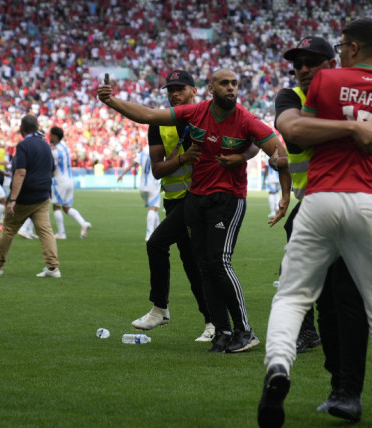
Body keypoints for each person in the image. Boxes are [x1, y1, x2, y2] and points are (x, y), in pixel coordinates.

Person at [257, 18, 372, 428]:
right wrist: (365, 128)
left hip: (320, 198)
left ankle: (278, 364)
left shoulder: (325, 83)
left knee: (292, 296)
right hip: (370, 200)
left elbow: (296, 130)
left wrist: (358, 127)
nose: (304, 69)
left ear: (346, 48)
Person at [97, 68, 292, 353]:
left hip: (227, 199)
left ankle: (245, 331)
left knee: (218, 263)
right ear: (211, 89)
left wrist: (285, 196)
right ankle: (221, 331)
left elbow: (279, 152)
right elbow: (148, 115)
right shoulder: (195, 113)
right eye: (224, 83)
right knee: (203, 266)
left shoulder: (246, 120)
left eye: (234, 84)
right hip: (195, 199)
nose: (231, 88)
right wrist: (112, 102)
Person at [274, 35, 372, 421]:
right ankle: (339, 386)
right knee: (327, 305)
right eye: (298, 63)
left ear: (333, 64)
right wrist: (351, 128)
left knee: (351, 302)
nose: (302, 69)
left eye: (312, 61)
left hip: (356, 204)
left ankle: (358, 391)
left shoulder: (358, 94)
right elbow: (295, 135)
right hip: (311, 207)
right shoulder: (290, 97)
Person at [129, 70, 258, 343]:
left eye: (180, 89)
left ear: (195, 91)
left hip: (203, 199)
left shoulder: (205, 117)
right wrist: (183, 158)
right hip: (176, 202)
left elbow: (252, 139)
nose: (174, 94)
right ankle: (212, 323)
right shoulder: (161, 124)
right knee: (196, 262)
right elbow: (157, 171)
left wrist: (241, 156)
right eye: (170, 90)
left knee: (194, 261)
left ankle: (180, 313)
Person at [0, 114, 60, 278]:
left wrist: (12, 199)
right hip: (43, 195)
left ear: (21, 129)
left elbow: (20, 173)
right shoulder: (45, 145)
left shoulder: (23, 146)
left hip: (25, 197)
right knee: (45, 231)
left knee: (8, 228)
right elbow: (52, 170)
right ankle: (53, 268)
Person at [49, 126, 92, 239]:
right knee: (67, 207)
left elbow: (52, 170)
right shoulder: (65, 147)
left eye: (50, 134)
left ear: (54, 136)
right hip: (69, 180)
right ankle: (83, 223)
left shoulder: (54, 151)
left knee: (56, 207)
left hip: (60, 181)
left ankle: (61, 233)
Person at [117, 146, 161, 241]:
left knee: (154, 209)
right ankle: (149, 234)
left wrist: (122, 174)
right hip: (152, 185)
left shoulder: (142, 154)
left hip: (142, 187)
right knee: (153, 209)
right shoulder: (158, 152)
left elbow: (133, 163)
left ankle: (159, 231)